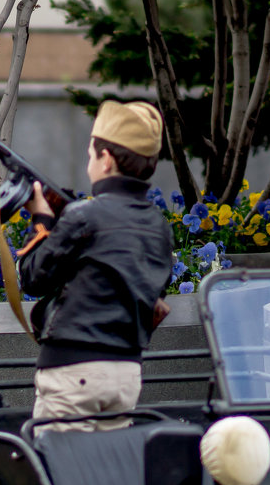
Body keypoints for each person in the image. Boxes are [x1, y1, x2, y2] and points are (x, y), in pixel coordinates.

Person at [17, 99, 174, 432]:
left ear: (105, 160)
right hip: (126, 375)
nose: (89, 161)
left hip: (74, 372)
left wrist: (42, 219)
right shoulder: (158, 224)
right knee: (102, 478)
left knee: (58, 477)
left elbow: (32, 277)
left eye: (91, 154)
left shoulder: (83, 216)